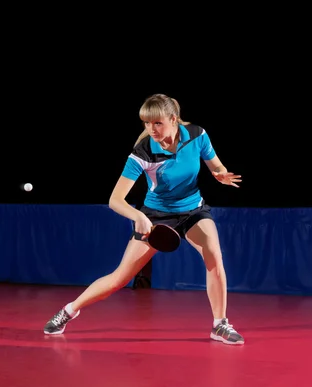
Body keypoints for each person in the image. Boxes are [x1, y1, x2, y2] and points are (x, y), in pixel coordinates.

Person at [43, 93, 245, 345]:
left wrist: (221, 174)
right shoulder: (143, 153)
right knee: (120, 278)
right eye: (146, 123)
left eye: (157, 123)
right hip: (155, 216)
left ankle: (220, 325)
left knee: (214, 257)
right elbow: (115, 200)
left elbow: (216, 165)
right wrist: (138, 216)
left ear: (173, 119)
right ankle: (69, 310)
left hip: (193, 210)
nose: (151, 129)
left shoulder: (196, 135)